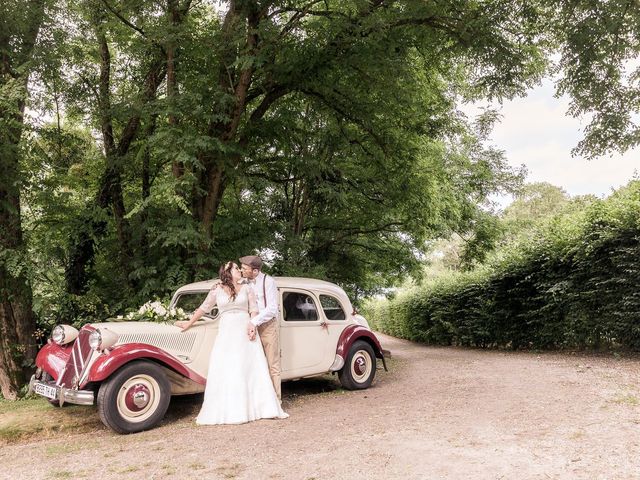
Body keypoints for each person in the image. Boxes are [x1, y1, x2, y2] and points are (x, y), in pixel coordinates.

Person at [175, 261, 287, 425]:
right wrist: (188, 323)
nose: (240, 270)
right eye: (236, 268)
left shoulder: (247, 287)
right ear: (227, 272)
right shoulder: (217, 289)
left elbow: (253, 308)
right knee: (227, 367)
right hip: (227, 332)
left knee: (248, 367)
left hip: (244, 329)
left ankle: (260, 407)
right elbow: (204, 308)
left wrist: (252, 324)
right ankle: (230, 408)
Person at [239, 255, 282, 400]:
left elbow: (271, 309)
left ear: (255, 271)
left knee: (272, 365)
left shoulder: (268, 282)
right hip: (251, 326)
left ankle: (276, 400)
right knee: (255, 363)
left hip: (267, 326)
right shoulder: (244, 281)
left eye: (245, 268)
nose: (242, 270)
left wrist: (254, 321)